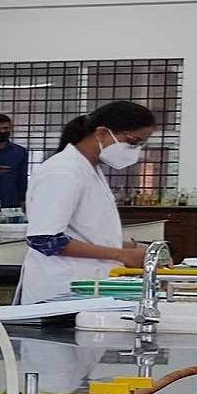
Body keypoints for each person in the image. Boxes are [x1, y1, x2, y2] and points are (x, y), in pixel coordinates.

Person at [20, 101, 156, 304]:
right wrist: (122, 255)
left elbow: (86, 232)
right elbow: (45, 240)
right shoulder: (62, 172)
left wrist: (135, 247)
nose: (135, 150)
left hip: (88, 286)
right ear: (102, 133)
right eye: (133, 141)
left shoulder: (90, 169)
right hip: (60, 290)